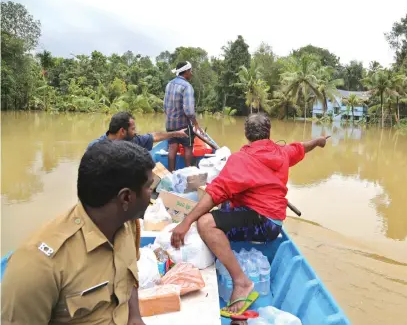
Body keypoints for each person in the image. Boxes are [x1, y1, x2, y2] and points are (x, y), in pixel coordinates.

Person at [170, 113, 330, 314]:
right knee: (225, 206)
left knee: (205, 223)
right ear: (269, 132)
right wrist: (319, 141)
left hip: (262, 222)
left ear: (246, 134)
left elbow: (215, 193)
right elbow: (301, 147)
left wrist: (186, 222)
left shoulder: (241, 159)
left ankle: (241, 281)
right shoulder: (281, 152)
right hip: (275, 220)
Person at [2, 140, 155, 325]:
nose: (153, 193)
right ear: (126, 197)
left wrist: (135, 317)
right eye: (149, 186)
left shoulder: (128, 225)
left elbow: (130, 278)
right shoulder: (39, 266)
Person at [164, 61, 201, 171]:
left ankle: (171, 173)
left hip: (169, 124)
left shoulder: (169, 84)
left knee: (172, 148)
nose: (192, 74)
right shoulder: (187, 86)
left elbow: (165, 106)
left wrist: (171, 118)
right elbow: (189, 111)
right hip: (183, 125)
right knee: (188, 147)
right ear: (186, 72)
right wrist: (195, 124)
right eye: (191, 71)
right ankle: (188, 172)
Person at [87, 111, 188, 151]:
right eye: (133, 129)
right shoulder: (95, 147)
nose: (135, 132)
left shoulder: (132, 140)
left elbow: (154, 136)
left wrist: (176, 133)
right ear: (122, 131)